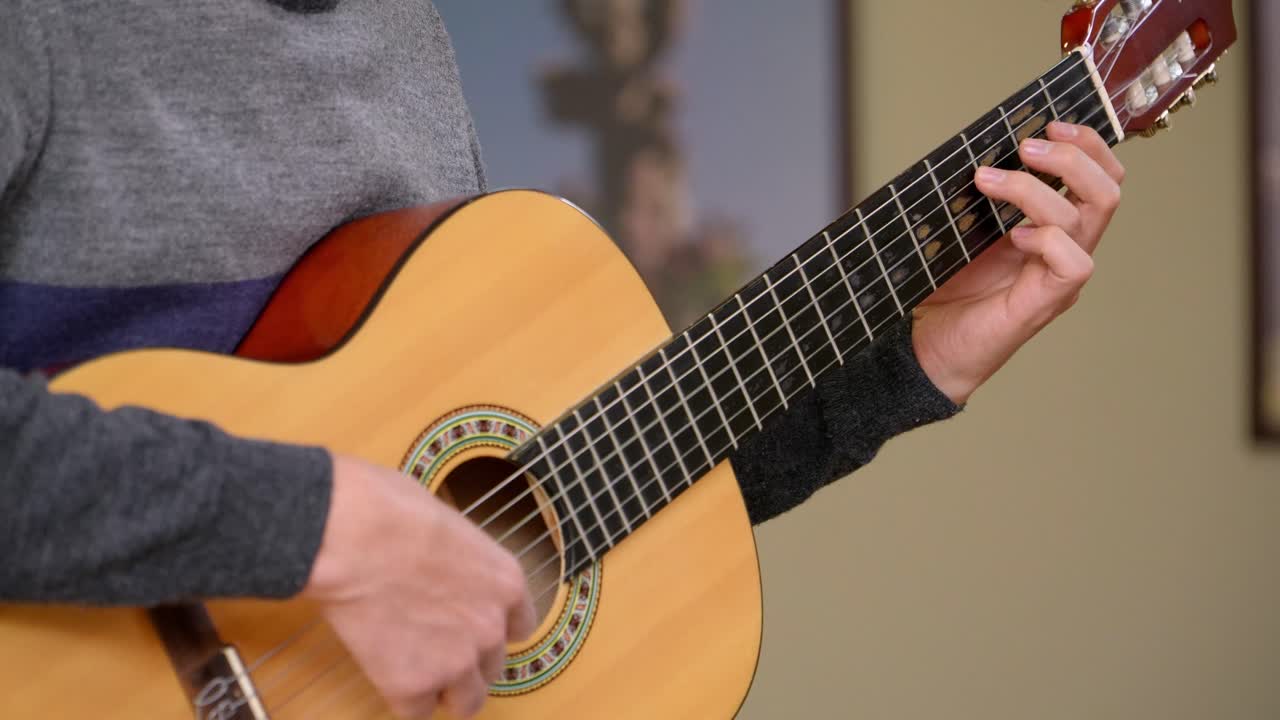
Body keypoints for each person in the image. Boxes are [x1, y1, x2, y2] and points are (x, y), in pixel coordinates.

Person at [0, 1, 1125, 718]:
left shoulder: (400, 37)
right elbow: (366, 532)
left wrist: (914, 359)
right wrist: (321, 529)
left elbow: (553, 492)